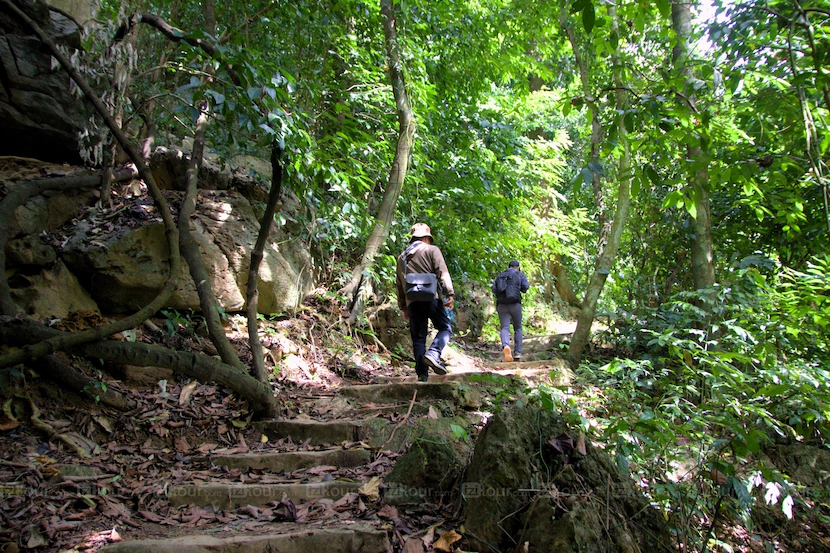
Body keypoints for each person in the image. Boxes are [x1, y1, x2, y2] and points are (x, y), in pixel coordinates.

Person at [395, 223, 455, 382]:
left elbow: (400, 284)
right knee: (445, 327)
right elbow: (442, 271)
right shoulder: (432, 250)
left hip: (412, 301)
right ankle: (434, 353)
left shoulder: (402, 257)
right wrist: (449, 293)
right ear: (427, 238)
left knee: (419, 338)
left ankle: (422, 374)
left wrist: (403, 306)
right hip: (431, 297)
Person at [492, 259, 530, 362]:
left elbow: (494, 290)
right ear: (517, 267)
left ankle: (506, 346)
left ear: (508, 266)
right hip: (515, 304)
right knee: (517, 328)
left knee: (504, 327)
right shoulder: (520, 275)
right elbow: (525, 288)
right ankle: (517, 352)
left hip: (502, 305)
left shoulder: (500, 275)